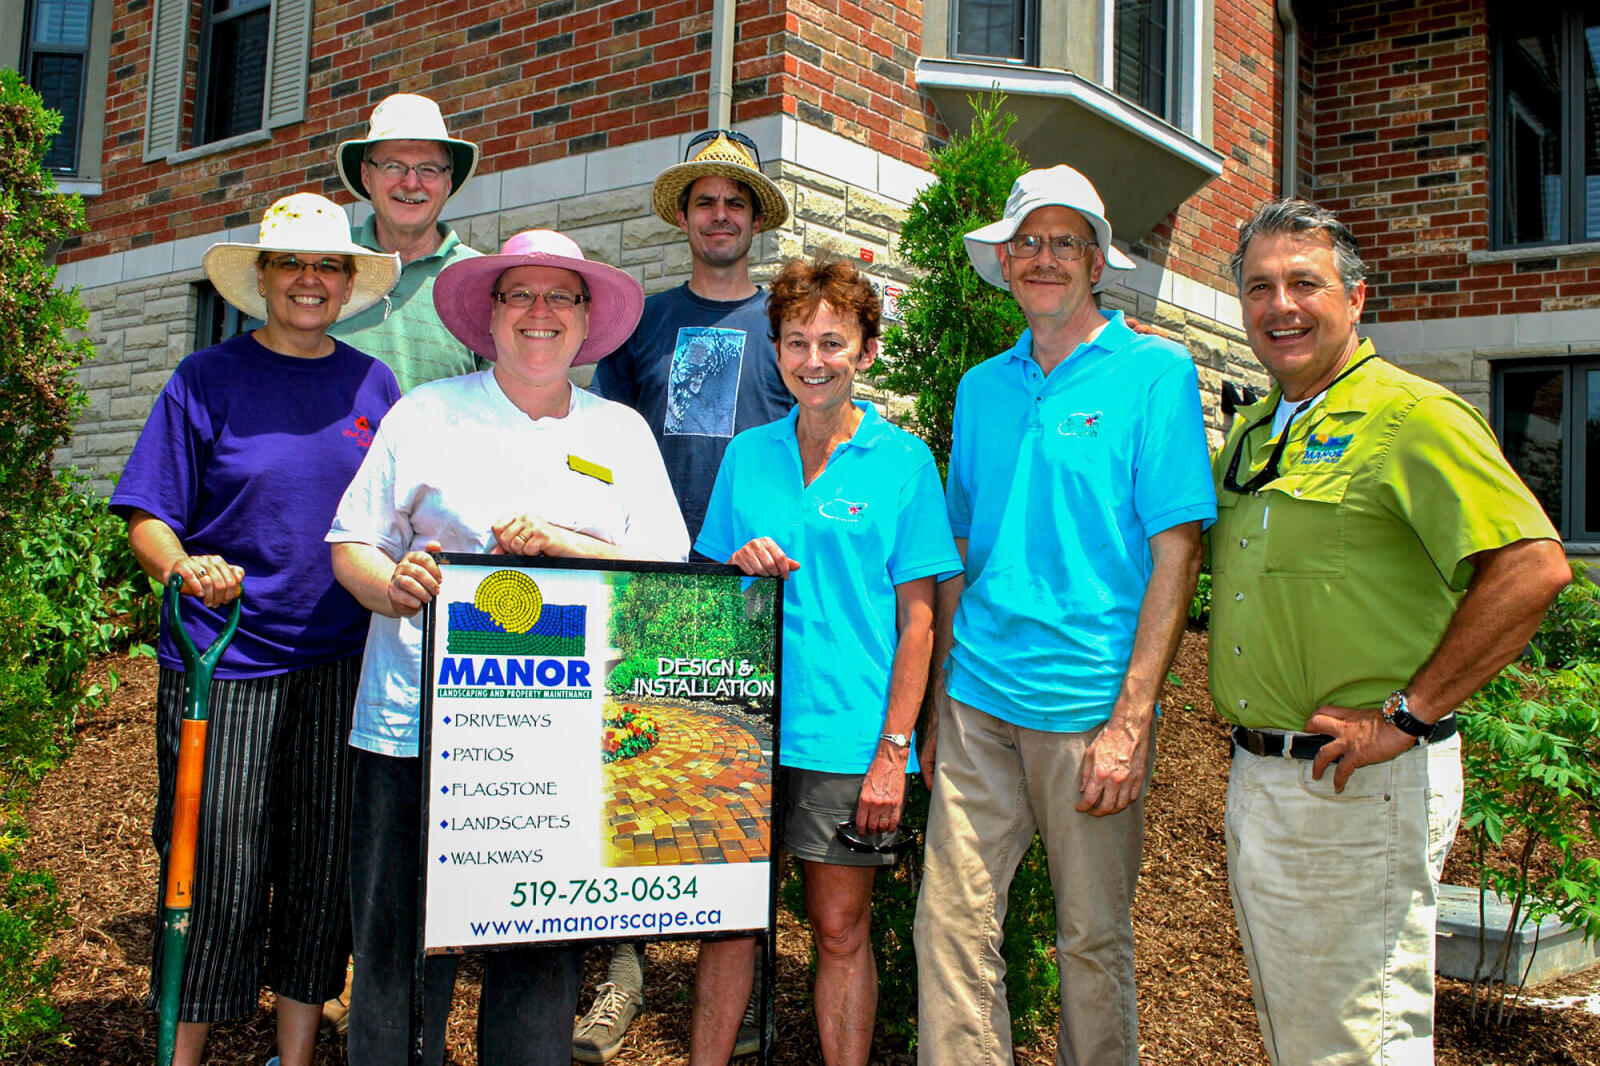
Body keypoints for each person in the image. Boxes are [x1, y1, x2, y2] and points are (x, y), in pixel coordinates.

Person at [1209, 197, 1571, 1065]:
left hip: (1357, 785)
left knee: (1356, 1036)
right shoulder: (1259, 430)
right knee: (1299, 1028)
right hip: (1263, 777)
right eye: (1260, 288)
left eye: (1305, 283)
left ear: (1357, 299)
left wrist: (1404, 717)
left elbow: (1532, 566)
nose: (1280, 306)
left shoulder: (1413, 417)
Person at [327, 229, 689, 1066]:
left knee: (540, 951)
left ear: (586, 318)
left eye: (560, 296)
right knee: (397, 951)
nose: (539, 312)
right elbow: (350, 542)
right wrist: (390, 586)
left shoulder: (621, 433)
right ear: (488, 316)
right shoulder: (428, 415)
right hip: (412, 728)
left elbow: (669, 571)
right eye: (519, 294)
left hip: (557, 743)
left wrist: (572, 545)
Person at [912, 165, 1216, 1066]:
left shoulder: (1155, 373)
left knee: (1090, 943)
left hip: (1089, 710)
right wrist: (936, 703)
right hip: (975, 703)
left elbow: (1178, 550)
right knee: (950, 930)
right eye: (1028, 242)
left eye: (1064, 242)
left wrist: (1132, 719)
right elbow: (961, 548)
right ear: (1004, 262)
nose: (1043, 259)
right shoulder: (980, 388)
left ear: (1096, 261)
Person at [110, 192, 401, 1066]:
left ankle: (296, 1055)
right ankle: (183, 1051)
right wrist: (181, 568)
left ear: (347, 283)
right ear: (263, 280)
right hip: (225, 661)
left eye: (327, 267)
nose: (309, 281)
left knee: (319, 868)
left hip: (341, 660)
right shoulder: (205, 380)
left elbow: (397, 515)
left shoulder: (372, 385)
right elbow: (147, 515)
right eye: (292, 266)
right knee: (214, 867)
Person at [690, 256, 961, 1065]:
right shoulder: (746, 456)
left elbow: (921, 622)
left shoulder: (903, 462)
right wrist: (737, 566)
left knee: (840, 931)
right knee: (728, 923)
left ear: (866, 352)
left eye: (833, 342)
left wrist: (894, 753)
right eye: (797, 341)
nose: (814, 360)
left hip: (848, 739)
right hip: (742, 733)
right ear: (776, 351)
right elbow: (707, 589)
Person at [575, 129, 794, 1062]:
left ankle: (740, 989)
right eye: (705, 200)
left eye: (735, 201)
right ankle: (620, 974)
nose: (719, 215)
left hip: (752, 597)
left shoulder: (786, 326)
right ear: (684, 215)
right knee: (631, 781)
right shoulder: (641, 327)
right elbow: (598, 450)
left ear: (752, 220)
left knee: (738, 788)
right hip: (651, 583)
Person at [328, 92, 483, 392]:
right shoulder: (326, 264)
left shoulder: (480, 280)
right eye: (393, 166)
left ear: (448, 183)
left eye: (428, 168)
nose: (411, 183)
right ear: (366, 175)